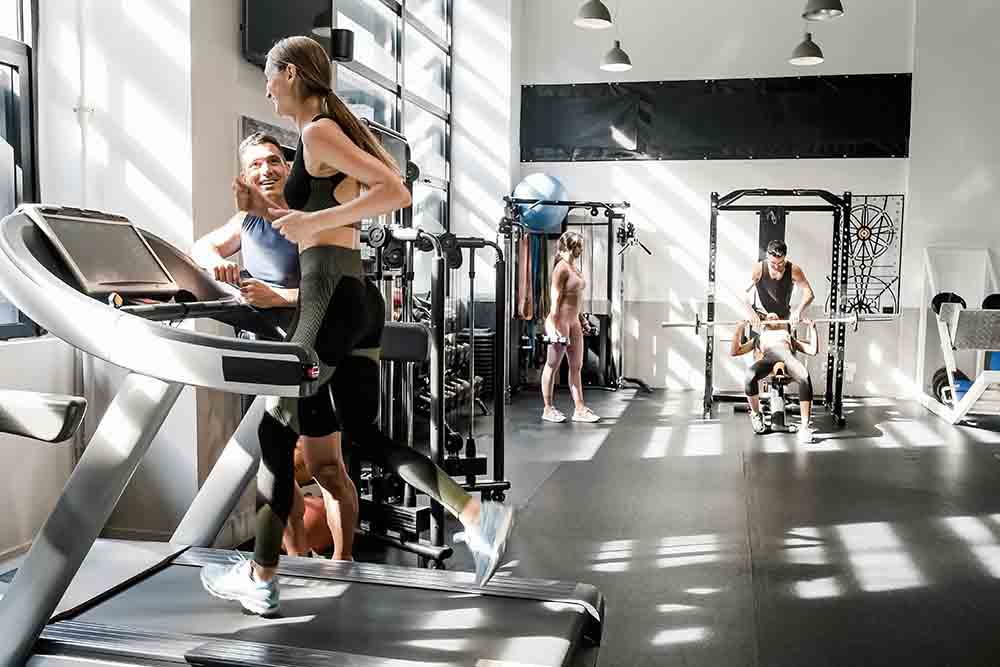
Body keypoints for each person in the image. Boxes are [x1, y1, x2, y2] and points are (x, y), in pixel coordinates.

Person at [199, 35, 514, 617]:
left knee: (274, 436)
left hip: (329, 295)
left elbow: (392, 190)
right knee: (364, 439)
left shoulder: (318, 132)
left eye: (270, 79)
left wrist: (315, 216)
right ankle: (474, 514)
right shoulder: (321, 134)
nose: (266, 90)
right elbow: (329, 210)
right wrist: (267, 209)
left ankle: (261, 577)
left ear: (289, 74)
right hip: (355, 297)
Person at [191, 132, 357, 562]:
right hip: (261, 361)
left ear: (287, 166)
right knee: (275, 469)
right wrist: (217, 261)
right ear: (244, 176)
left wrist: (278, 298)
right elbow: (202, 247)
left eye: (272, 161)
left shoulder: (315, 217)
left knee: (325, 468)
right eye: (254, 166)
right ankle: (299, 565)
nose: (265, 170)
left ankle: (344, 564)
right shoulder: (247, 221)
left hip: (312, 358)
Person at [730, 313, 818, 442]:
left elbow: (812, 350)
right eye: (770, 317)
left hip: (787, 359)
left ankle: (805, 427)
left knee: (804, 377)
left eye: (776, 317)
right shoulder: (760, 337)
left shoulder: (787, 335)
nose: (773, 318)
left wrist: (812, 328)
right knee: (750, 375)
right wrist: (739, 329)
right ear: (764, 322)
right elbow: (735, 351)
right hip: (768, 360)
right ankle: (756, 414)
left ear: (782, 322)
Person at [541, 231, 600, 424]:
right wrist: (553, 327)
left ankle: (580, 408)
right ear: (568, 246)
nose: (581, 249)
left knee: (576, 366)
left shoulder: (574, 268)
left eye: (581, 246)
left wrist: (582, 320)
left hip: (574, 322)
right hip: (561, 322)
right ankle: (548, 408)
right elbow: (555, 300)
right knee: (552, 365)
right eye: (578, 246)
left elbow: (576, 300)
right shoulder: (561, 268)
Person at [742, 239, 814, 328]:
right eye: (773, 263)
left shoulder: (794, 270)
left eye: (780, 263)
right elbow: (743, 293)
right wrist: (751, 313)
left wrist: (798, 311)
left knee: (783, 340)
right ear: (767, 256)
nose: (776, 267)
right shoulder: (759, 269)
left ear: (785, 257)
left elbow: (809, 294)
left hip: (783, 318)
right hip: (762, 319)